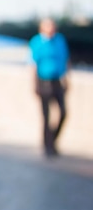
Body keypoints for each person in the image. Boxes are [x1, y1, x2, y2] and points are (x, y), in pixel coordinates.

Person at [29, 18, 70, 157]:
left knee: (63, 113)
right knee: (46, 116)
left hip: (57, 81)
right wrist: (34, 84)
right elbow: (33, 65)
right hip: (43, 82)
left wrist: (67, 79)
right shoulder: (37, 42)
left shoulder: (60, 40)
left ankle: (52, 139)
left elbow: (66, 59)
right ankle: (47, 146)